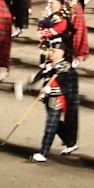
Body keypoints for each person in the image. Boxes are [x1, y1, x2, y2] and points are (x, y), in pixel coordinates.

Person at [30, 24, 72, 163]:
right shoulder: (50, 65)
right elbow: (41, 74)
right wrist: (32, 84)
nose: (51, 53)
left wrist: (52, 91)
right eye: (51, 50)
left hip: (57, 100)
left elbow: (67, 88)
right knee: (55, 124)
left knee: (50, 126)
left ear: (61, 53)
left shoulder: (65, 68)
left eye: (54, 51)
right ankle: (70, 142)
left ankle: (43, 152)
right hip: (48, 98)